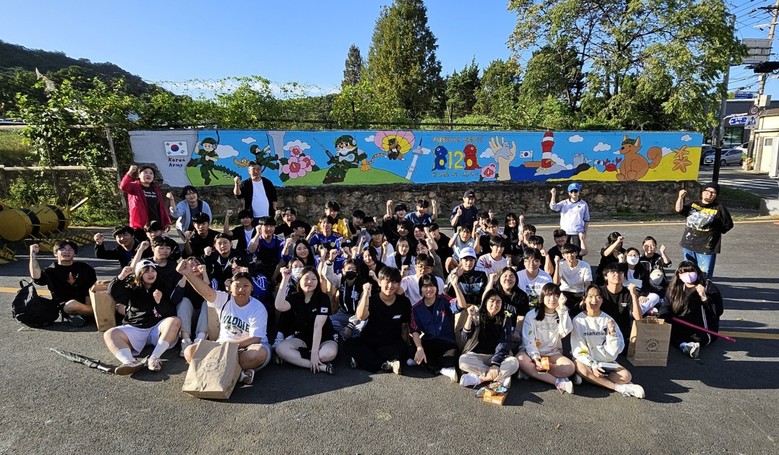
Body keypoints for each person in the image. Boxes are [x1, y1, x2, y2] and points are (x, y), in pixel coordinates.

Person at [177, 259, 271, 384]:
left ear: (252, 288)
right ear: (230, 288)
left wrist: (228, 347)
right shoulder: (223, 299)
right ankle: (238, 375)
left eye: (245, 286)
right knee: (189, 351)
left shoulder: (258, 307)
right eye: (237, 286)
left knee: (257, 354)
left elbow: (255, 338)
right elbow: (205, 291)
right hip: (222, 347)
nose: (241, 289)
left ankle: (216, 370)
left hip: (247, 348)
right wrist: (187, 273)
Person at [105, 260, 182, 374]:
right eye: (146, 271)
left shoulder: (162, 285)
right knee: (110, 333)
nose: (151, 274)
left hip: (156, 327)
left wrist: (159, 302)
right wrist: (121, 276)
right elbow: (114, 293)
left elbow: (169, 311)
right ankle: (130, 362)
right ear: (139, 274)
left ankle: (154, 358)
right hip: (136, 327)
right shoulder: (132, 286)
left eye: (153, 271)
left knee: (175, 321)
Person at [571, 285, 645, 398]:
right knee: (582, 368)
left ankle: (590, 378)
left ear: (602, 300)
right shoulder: (578, 320)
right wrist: (593, 365)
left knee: (626, 377)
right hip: (586, 360)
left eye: (598, 297)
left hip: (604, 361)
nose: (594, 300)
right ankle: (620, 388)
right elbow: (578, 350)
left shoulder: (608, 320)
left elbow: (617, 350)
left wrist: (612, 335)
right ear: (584, 299)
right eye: (590, 296)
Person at [343, 267, 411, 375]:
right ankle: (387, 363)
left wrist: (406, 346)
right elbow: (360, 316)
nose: (390, 285)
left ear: (399, 284)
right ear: (379, 282)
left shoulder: (404, 302)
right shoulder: (372, 300)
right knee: (349, 344)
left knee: (402, 349)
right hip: (370, 340)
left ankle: (366, 361)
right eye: (387, 281)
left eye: (394, 282)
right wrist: (366, 294)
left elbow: (405, 326)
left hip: (392, 341)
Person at [274, 266, 338, 374]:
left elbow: (318, 327)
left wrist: (314, 353)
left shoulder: (323, 298)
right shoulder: (294, 297)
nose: (309, 282)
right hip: (302, 338)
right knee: (280, 349)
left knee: (328, 354)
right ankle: (320, 367)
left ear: (317, 282)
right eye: (306, 278)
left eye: (313, 279)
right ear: (299, 280)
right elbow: (279, 306)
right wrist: (285, 279)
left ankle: (297, 359)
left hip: (325, 337)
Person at [517, 283, 576, 394]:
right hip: (531, 353)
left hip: (552, 353)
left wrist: (562, 309)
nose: (552, 299)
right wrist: (536, 359)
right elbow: (528, 341)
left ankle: (534, 373)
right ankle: (558, 381)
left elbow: (564, 332)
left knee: (570, 368)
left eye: (556, 296)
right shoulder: (532, 315)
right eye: (549, 295)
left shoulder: (562, 312)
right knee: (520, 360)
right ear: (542, 297)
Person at [657, 261, 724, 358]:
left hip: (700, 328)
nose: (688, 275)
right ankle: (684, 345)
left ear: (697, 272)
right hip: (680, 324)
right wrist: (663, 317)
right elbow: (666, 306)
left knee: (697, 338)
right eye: (684, 272)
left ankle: (685, 344)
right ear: (679, 275)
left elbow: (718, 311)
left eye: (691, 271)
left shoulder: (707, 286)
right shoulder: (674, 288)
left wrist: (704, 297)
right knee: (667, 334)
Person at [409, 273, 468, 381]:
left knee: (453, 357)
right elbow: (415, 330)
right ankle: (441, 369)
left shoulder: (445, 300)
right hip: (429, 342)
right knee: (412, 349)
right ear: (420, 289)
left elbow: (461, 305)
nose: (429, 289)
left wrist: (455, 286)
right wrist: (419, 348)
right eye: (425, 286)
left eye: (432, 285)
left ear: (436, 287)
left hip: (446, 343)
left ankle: (429, 365)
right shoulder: (416, 308)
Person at [458, 290, 519, 388]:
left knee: (514, 363)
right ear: (485, 302)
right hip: (477, 355)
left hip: (498, 356)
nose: (495, 305)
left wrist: (495, 364)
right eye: (492, 301)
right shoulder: (477, 315)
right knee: (463, 360)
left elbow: (504, 342)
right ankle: (500, 378)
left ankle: (479, 379)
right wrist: (470, 317)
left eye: (498, 302)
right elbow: (465, 336)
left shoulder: (505, 318)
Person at [29, 240, 97, 327]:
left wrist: (88, 305)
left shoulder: (85, 268)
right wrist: (32, 255)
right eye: (63, 249)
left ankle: (83, 315)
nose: (67, 252)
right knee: (72, 304)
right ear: (55, 254)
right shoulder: (51, 271)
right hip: (65, 305)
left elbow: (89, 288)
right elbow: (36, 277)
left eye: (70, 249)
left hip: (87, 301)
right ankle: (99, 313)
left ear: (75, 253)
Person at [675, 183, 733, 279]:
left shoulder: (719, 208)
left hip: (706, 248)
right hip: (688, 244)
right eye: (707, 191)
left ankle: (703, 288)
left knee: (704, 275)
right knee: (689, 273)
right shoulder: (693, 204)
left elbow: (728, 224)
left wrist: (714, 232)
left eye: (713, 193)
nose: (709, 194)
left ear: (716, 195)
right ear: (702, 192)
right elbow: (679, 209)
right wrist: (680, 197)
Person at [175, 256, 218, 356]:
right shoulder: (183, 280)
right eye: (190, 266)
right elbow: (175, 299)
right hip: (190, 318)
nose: (194, 268)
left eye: (197, 264)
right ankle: (185, 341)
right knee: (184, 301)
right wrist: (185, 275)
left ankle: (199, 340)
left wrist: (204, 274)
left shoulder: (211, 278)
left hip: (207, 320)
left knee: (208, 302)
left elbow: (211, 295)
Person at [119, 165, 171, 239]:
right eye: (145, 172)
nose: (148, 175)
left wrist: (166, 222)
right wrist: (130, 172)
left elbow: (162, 208)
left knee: (156, 245)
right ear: (139, 175)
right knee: (142, 244)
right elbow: (123, 186)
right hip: (140, 225)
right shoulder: (134, 186)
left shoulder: (155, 189)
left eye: (151, 173)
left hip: (156, 225)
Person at [322, 258, 368, 340]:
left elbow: (362, 310)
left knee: (360, 329)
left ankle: (348, 336)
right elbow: (328, 275)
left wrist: (350, 326)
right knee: (327, 322)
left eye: (354, 269)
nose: (351, 271)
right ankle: (341, 336)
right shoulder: (340, 280)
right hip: (343, 313)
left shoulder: (362, 285)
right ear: (343, 270)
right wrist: (330, 261)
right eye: (348, 269)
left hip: (357, 316)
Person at [598, 262, 642, 342]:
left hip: (623, 332)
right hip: (602, 330)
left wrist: (634, 295)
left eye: (620, 272)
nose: (617, 275)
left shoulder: (628, 293)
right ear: (605, 276)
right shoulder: (599, 292)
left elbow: (638, 318)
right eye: (612, 272)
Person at [553, 243, 592, 316]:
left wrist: (585, 298)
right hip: (565, 292)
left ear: (576, 253)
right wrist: (557, 265)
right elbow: (556, 283)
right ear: (563, 255)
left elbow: (587, 284)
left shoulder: (585, 265)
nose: (570, 255)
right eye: (567, 253)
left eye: (572, 253)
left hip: (580, 292)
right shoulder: (561, 264)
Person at [549, 182, 590, 249]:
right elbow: (554, 207)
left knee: (577, 251)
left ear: (578, 192)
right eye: (572, 191)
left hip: (577, 232)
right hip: (565, 232)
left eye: (575, 191)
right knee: (564, 250)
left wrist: (585, 232)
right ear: (569, 193)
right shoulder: (564, 203)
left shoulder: (583, 204)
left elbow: (586, 219)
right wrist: (553, 195)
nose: (574, 193)